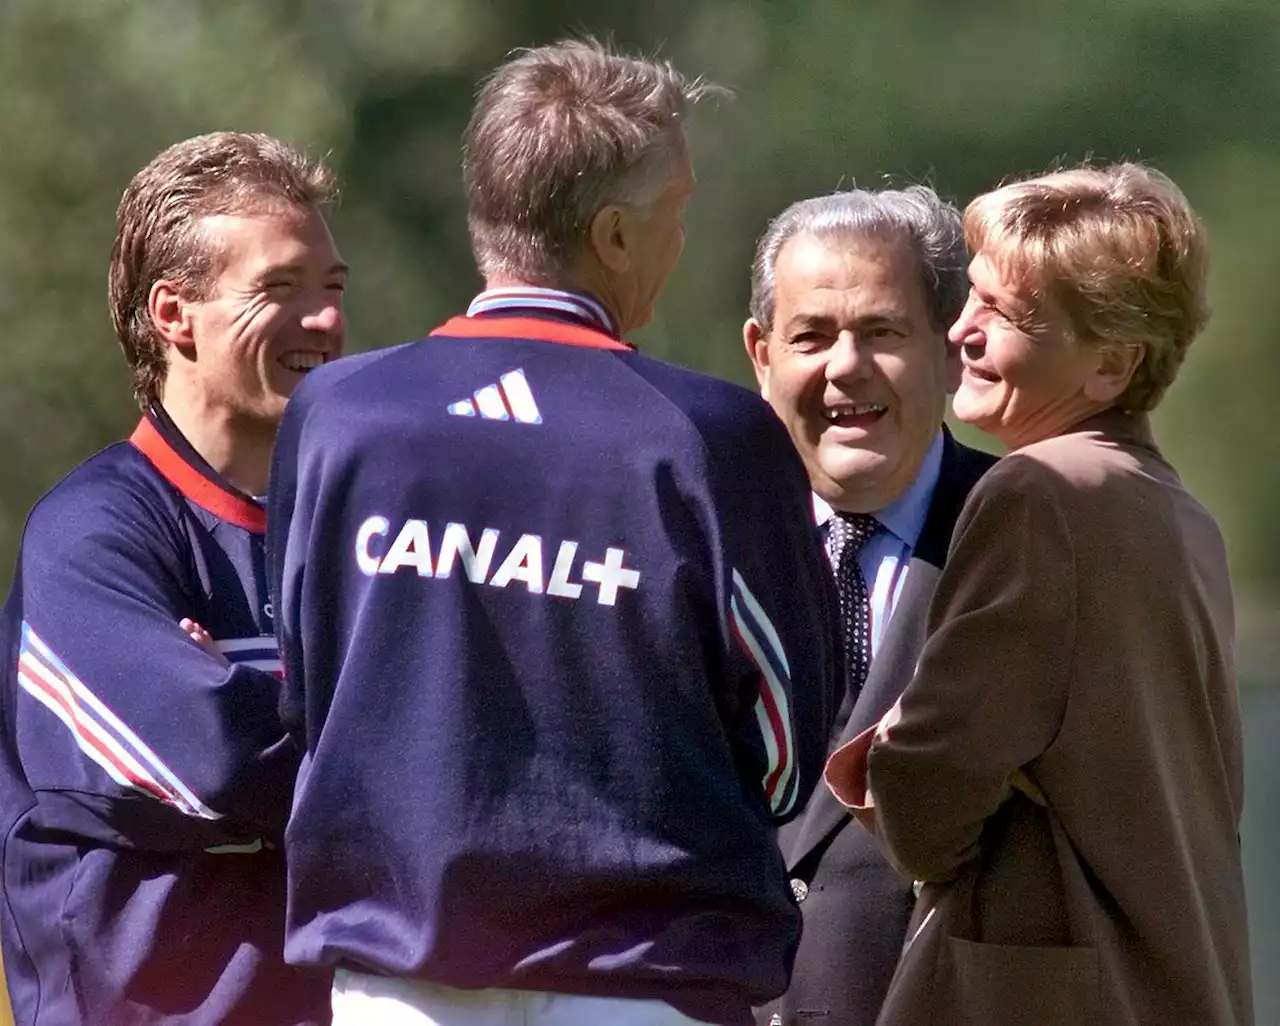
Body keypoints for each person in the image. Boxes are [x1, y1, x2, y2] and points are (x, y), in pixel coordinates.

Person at [267, 39, 838, 1026]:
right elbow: (788, 755)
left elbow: (308, 691)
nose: (681, 238)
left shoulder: (338, 413)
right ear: (614, 235)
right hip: (646, 982)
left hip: (397, 985)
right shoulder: (706, 436)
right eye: (677, 212)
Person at [826, 162, 1254, 1026]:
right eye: (972, 297)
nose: (961, 334)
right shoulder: (1176, 510)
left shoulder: (1042, 493)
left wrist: (883, 762)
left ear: (1113, 365)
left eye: (1010, 315)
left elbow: (927, 790)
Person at [0, 131, 346, 1025]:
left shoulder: (359, 527)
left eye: (332, 288)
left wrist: (251, 693)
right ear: (172, 314)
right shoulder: (89, 537)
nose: (325, 321)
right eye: (280, 289)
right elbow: (218, 764)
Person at [741, 187, 996, 1026]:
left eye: (881, 332)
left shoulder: (1029, 538)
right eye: (811, 336)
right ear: (761, 354)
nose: (845, 367)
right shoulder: (697, 540)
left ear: (948, 349)